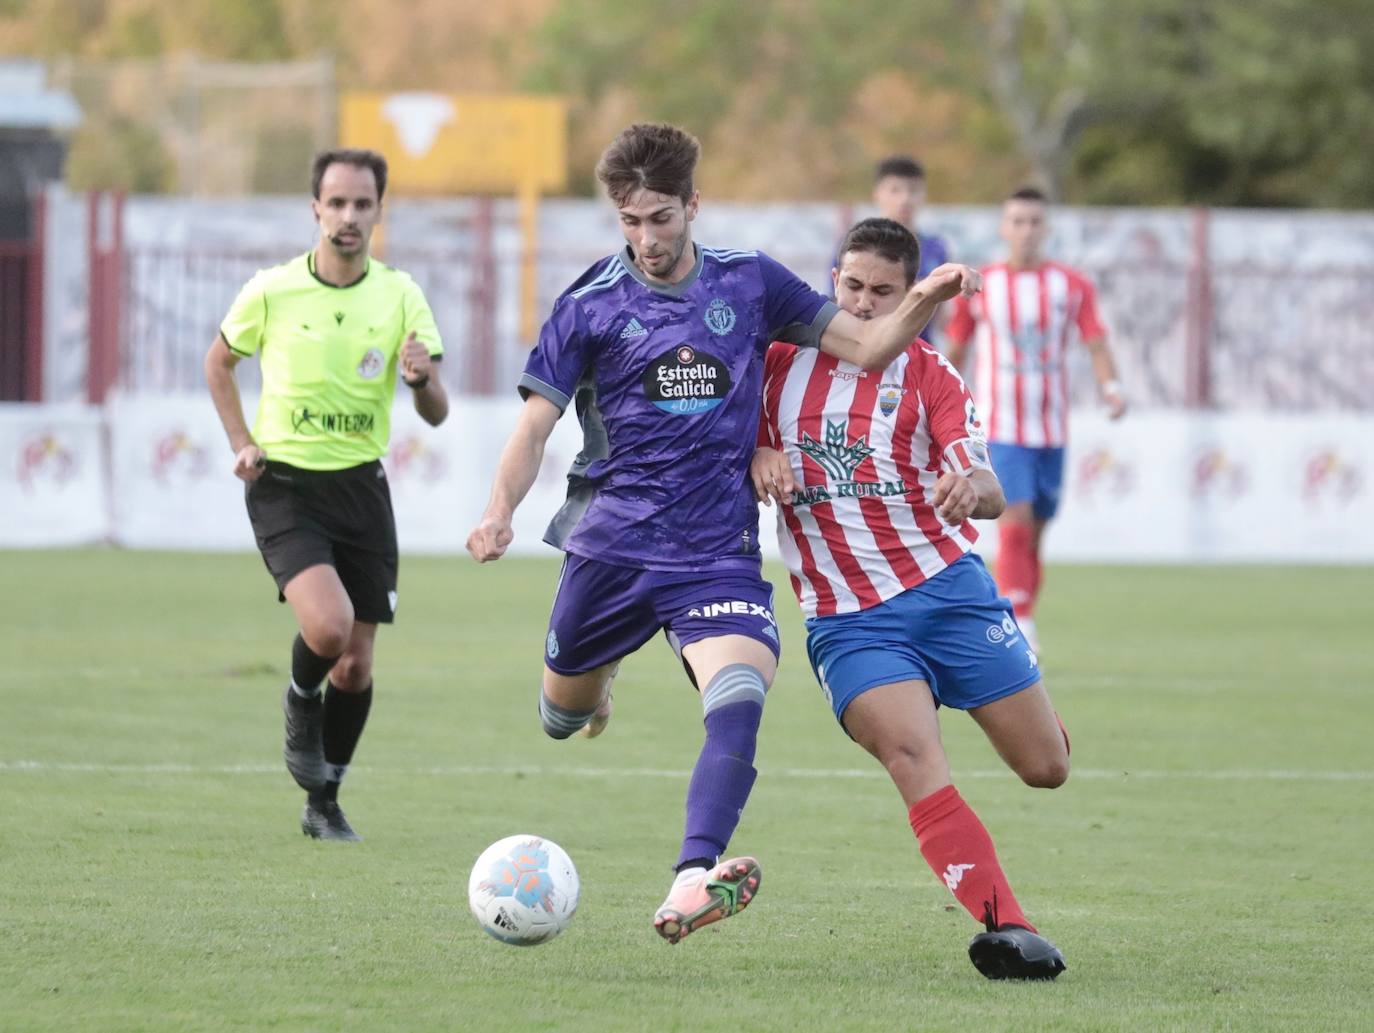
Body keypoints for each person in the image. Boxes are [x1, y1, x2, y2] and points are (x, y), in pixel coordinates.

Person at [465, 123, 981, 944]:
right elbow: (533, 427)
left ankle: (691, 877)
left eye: (661, 218)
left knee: (739, 693)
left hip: (715, 553)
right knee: (561, 715)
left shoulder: (749, 281)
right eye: (630, 221)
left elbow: (869, 344)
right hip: (612, 550)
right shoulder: (589, 304)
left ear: (693, 206)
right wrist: (499, 511)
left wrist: (926, 296)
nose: (647, 238)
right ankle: (596, 688)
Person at [751, 217, 1069, 980]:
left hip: (949, 594)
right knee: (912, 754)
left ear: (910, 299)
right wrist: (757, 450)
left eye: (884, 292)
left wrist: (970, 489)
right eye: (852, 286)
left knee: (1046, 766)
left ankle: (1010, 694)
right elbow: (723, 443)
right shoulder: (774, 367)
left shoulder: (932, 375)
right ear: (833, 280)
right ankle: (1007, 927)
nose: (863, 304)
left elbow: (988, 485)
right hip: (849, 620)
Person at [204, 148, 448, 841]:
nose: (348, 216)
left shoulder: (400, 294)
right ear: (315, 208)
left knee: (357, 663)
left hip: (361, 488)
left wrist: (420, 380)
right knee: (329, 629)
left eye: (361, 204)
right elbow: (218, 362)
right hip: (285, 484)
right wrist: (241, 441)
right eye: (336, 203)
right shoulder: (272, 290)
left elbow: (437, 411)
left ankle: (324, 801)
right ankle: (297, 695)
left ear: (378, 211)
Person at [945, 186, 1127, 651]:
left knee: (1036, 533)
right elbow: (956, 348)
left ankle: (1022, 609)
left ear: (1046, 228)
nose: (1026, 230)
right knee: (1016, 519)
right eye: (1018, 221)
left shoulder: (1072, 285)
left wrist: (1112, 388)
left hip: (1050, 429)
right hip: (1000, 426)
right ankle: (1020, 623)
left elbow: (1096, 340)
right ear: (1004, 228)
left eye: (1034, 222)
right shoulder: (981, 285)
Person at [860, 155, 952, 343]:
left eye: (913, 190)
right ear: (877, 193)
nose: (905, 199)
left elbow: (942, 315)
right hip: (868, 348)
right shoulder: (857, 246)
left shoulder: (936, 249)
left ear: (924, 195)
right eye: (895, 190)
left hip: (920, 350)